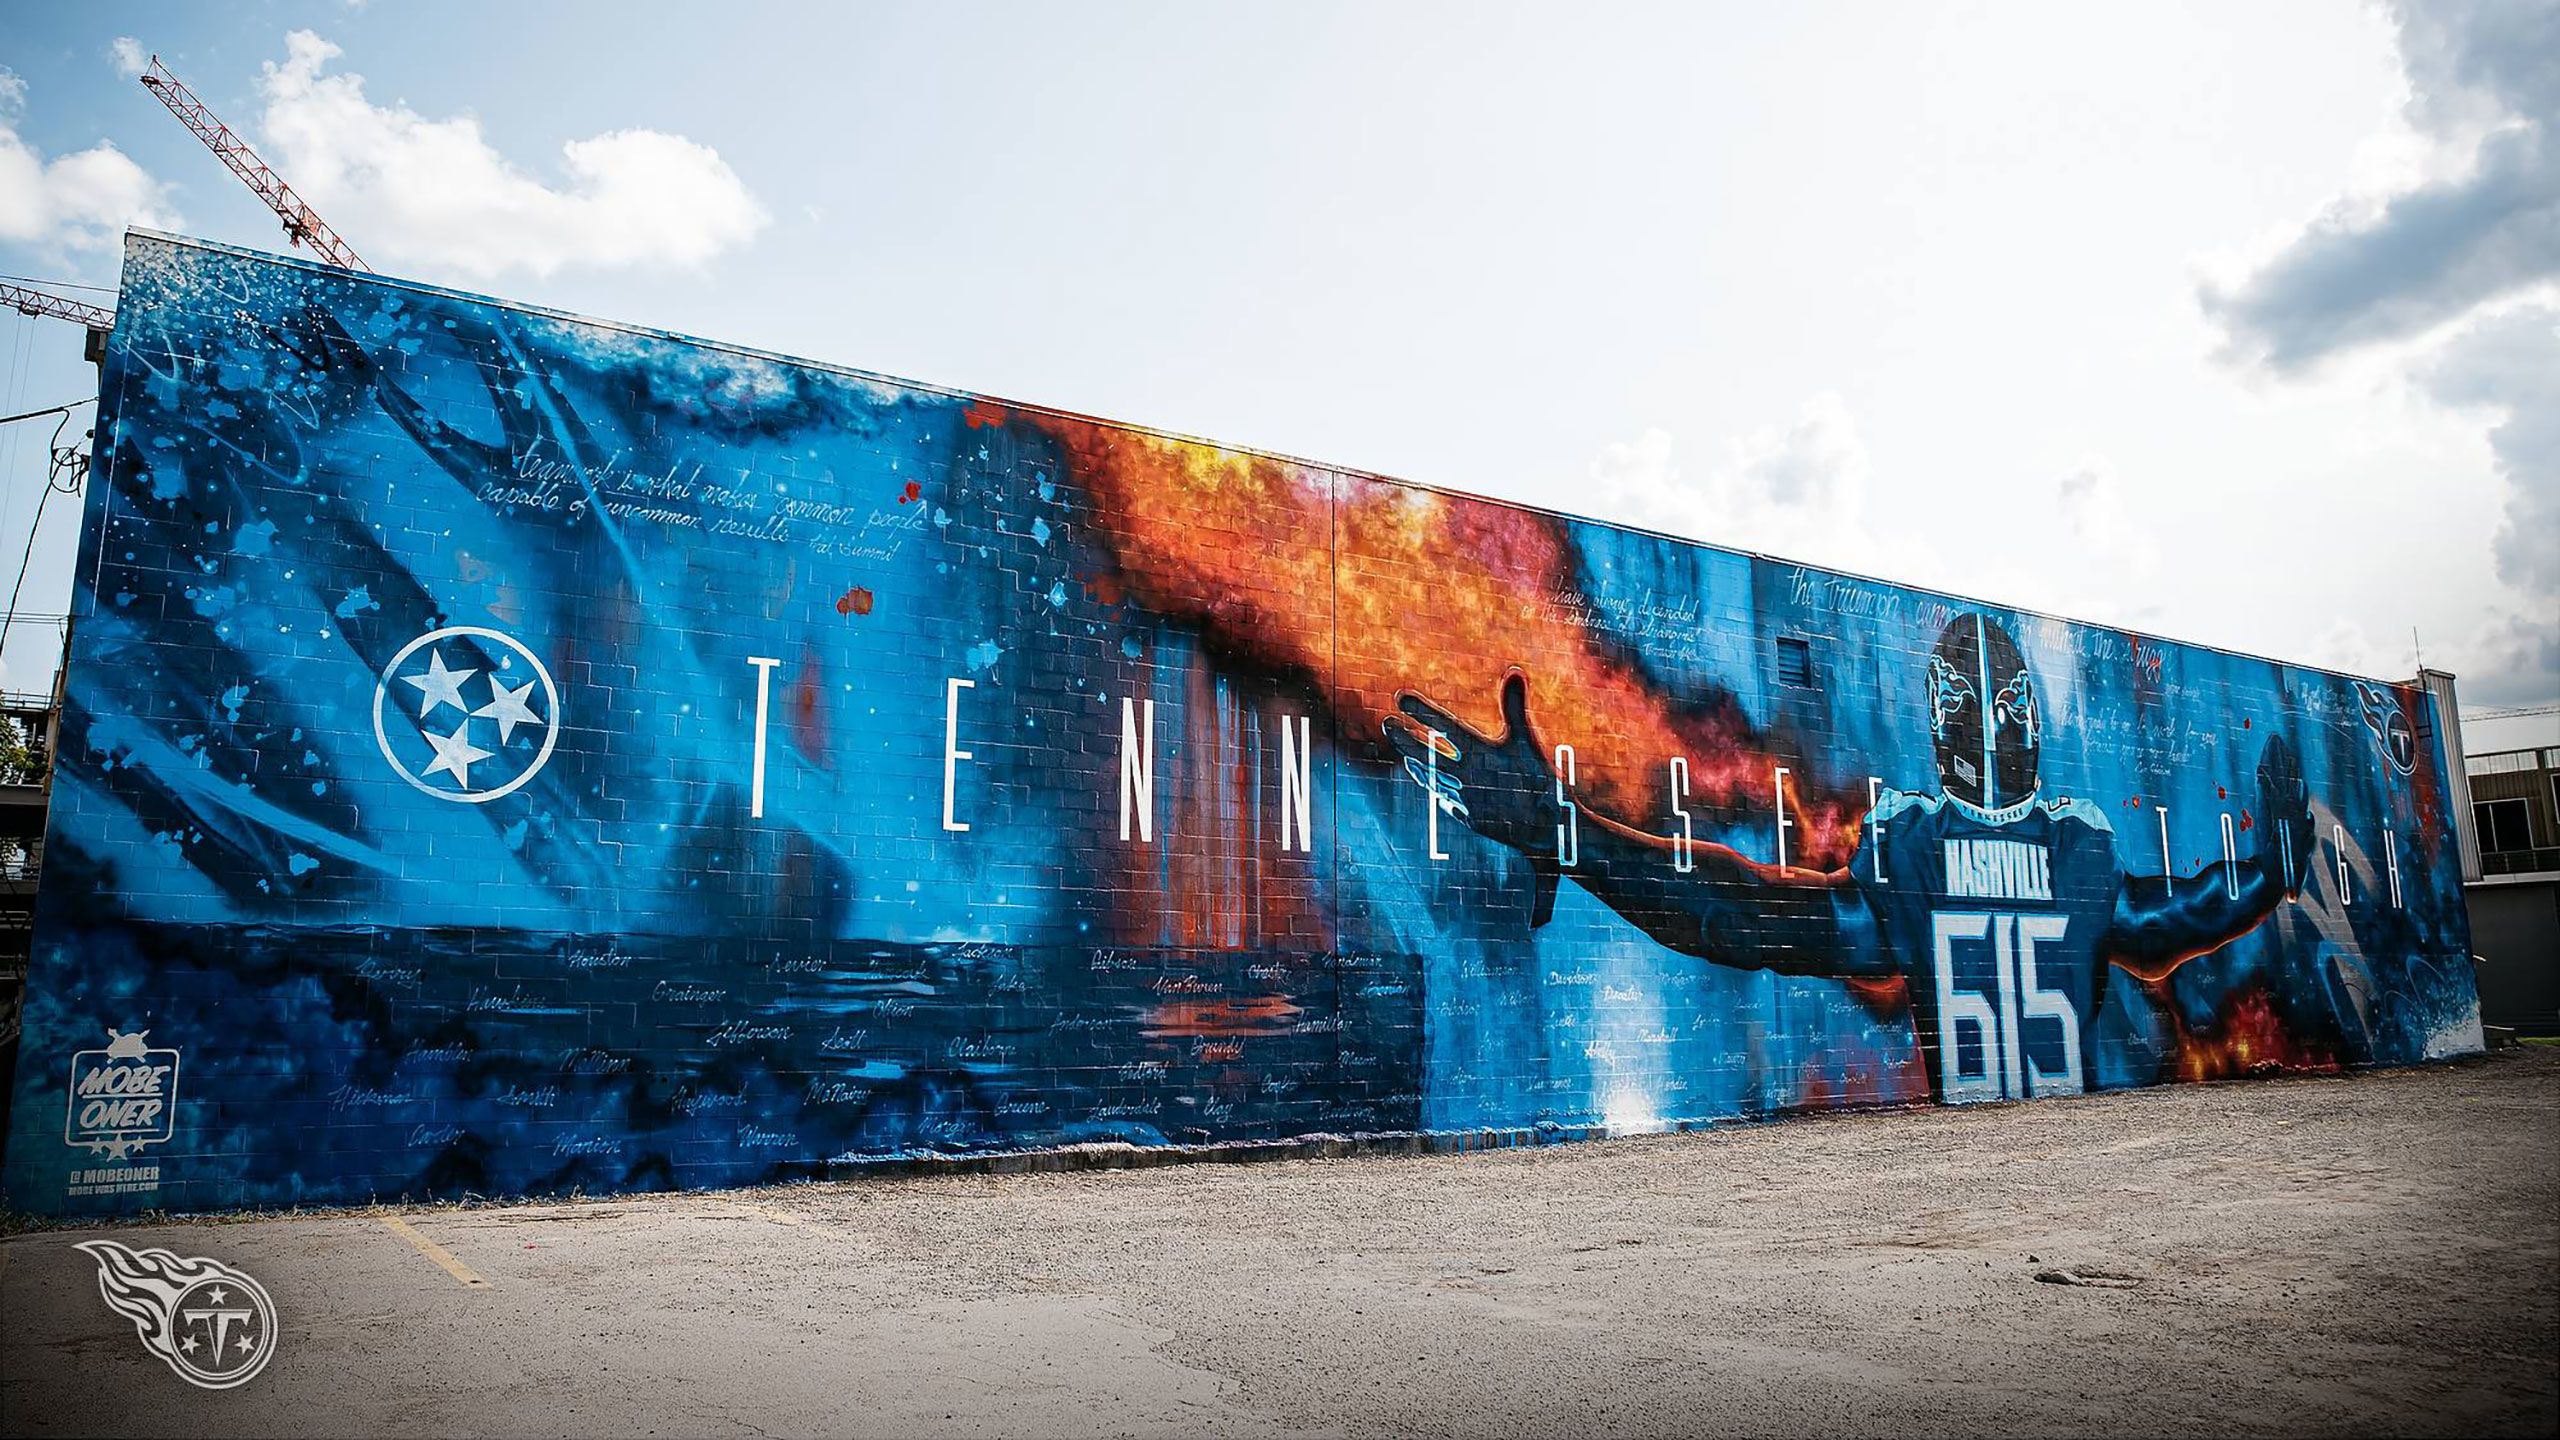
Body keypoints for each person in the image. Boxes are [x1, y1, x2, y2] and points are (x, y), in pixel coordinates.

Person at [1386, 612, 2316, 1102]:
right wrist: (1566, 833)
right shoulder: (2050, 857)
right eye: (1971, 700)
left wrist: (1568, 834)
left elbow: (1740, 914)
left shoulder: (1980, 855)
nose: (1992, 723)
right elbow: (1743, 912)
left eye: (2004, 701)